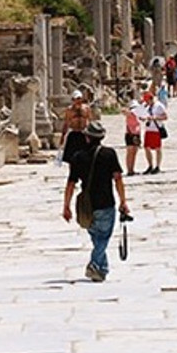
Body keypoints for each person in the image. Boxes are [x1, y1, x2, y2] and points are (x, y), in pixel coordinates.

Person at [61, 121, 130, 282]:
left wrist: (66, 206)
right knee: (104, 238)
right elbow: (118, 178)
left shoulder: (78, 157)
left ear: (86, 137)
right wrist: (123, 201)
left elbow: (71, 183)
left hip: (87, 206)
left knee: (97, 238)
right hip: (106, 203)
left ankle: (101, 270)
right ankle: (94, 264)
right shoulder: (109, 154)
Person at [141, 90, 168, 174]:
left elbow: (165, 116)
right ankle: (150, 165)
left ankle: (158, 166)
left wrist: (155, 118)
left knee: (157, 148)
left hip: (156, 129)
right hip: (148, 129)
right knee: (146, 147)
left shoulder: (159, 106)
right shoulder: (146, 106)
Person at [61, 90, 92, 164]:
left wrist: (90, 134)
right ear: (73, 100)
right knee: (71, 157)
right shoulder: (69, 110)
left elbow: (89, 121)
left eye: (79, 98)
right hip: (74, 133)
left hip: (83, 133)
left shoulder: (86, 109)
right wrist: (63, 136)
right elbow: (66, 123)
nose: (78, 101)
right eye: (76, 99)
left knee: (85, 156)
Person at [124, 98, 144, 176]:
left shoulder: (138, 115)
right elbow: (124, 111)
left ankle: (132, 169)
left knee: (134, 152)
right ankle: (129, 169)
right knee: (130, 152)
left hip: (136, 134)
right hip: (130, 134)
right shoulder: (130, 114)